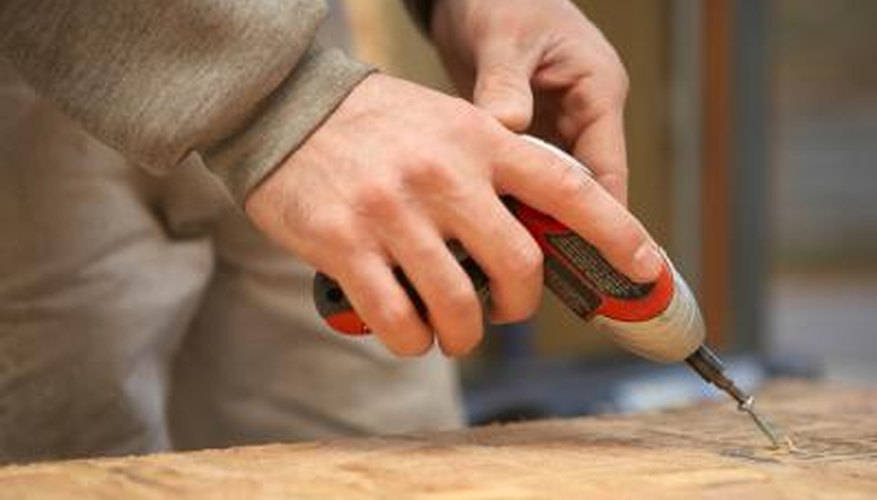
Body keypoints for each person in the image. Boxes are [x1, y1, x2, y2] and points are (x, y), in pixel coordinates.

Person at [0, 0, 661, 463]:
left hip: (309, 57)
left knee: (395, 458)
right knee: (59, 457)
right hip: (41, 57)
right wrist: (274, 104)